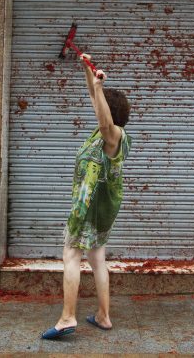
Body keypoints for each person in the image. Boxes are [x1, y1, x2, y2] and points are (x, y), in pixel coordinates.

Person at [42, 53, 132, 339]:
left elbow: (104, 120)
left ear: (110, 112)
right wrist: (87, 71)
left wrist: (101, 88)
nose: (96, 107)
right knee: (97, 258)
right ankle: (103, 316)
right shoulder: (103, 133)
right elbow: (96, 102)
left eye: (102, 105)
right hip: (100, 210)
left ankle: (68, 317)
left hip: (88, 209)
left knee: (71, 255)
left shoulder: (114, 136)